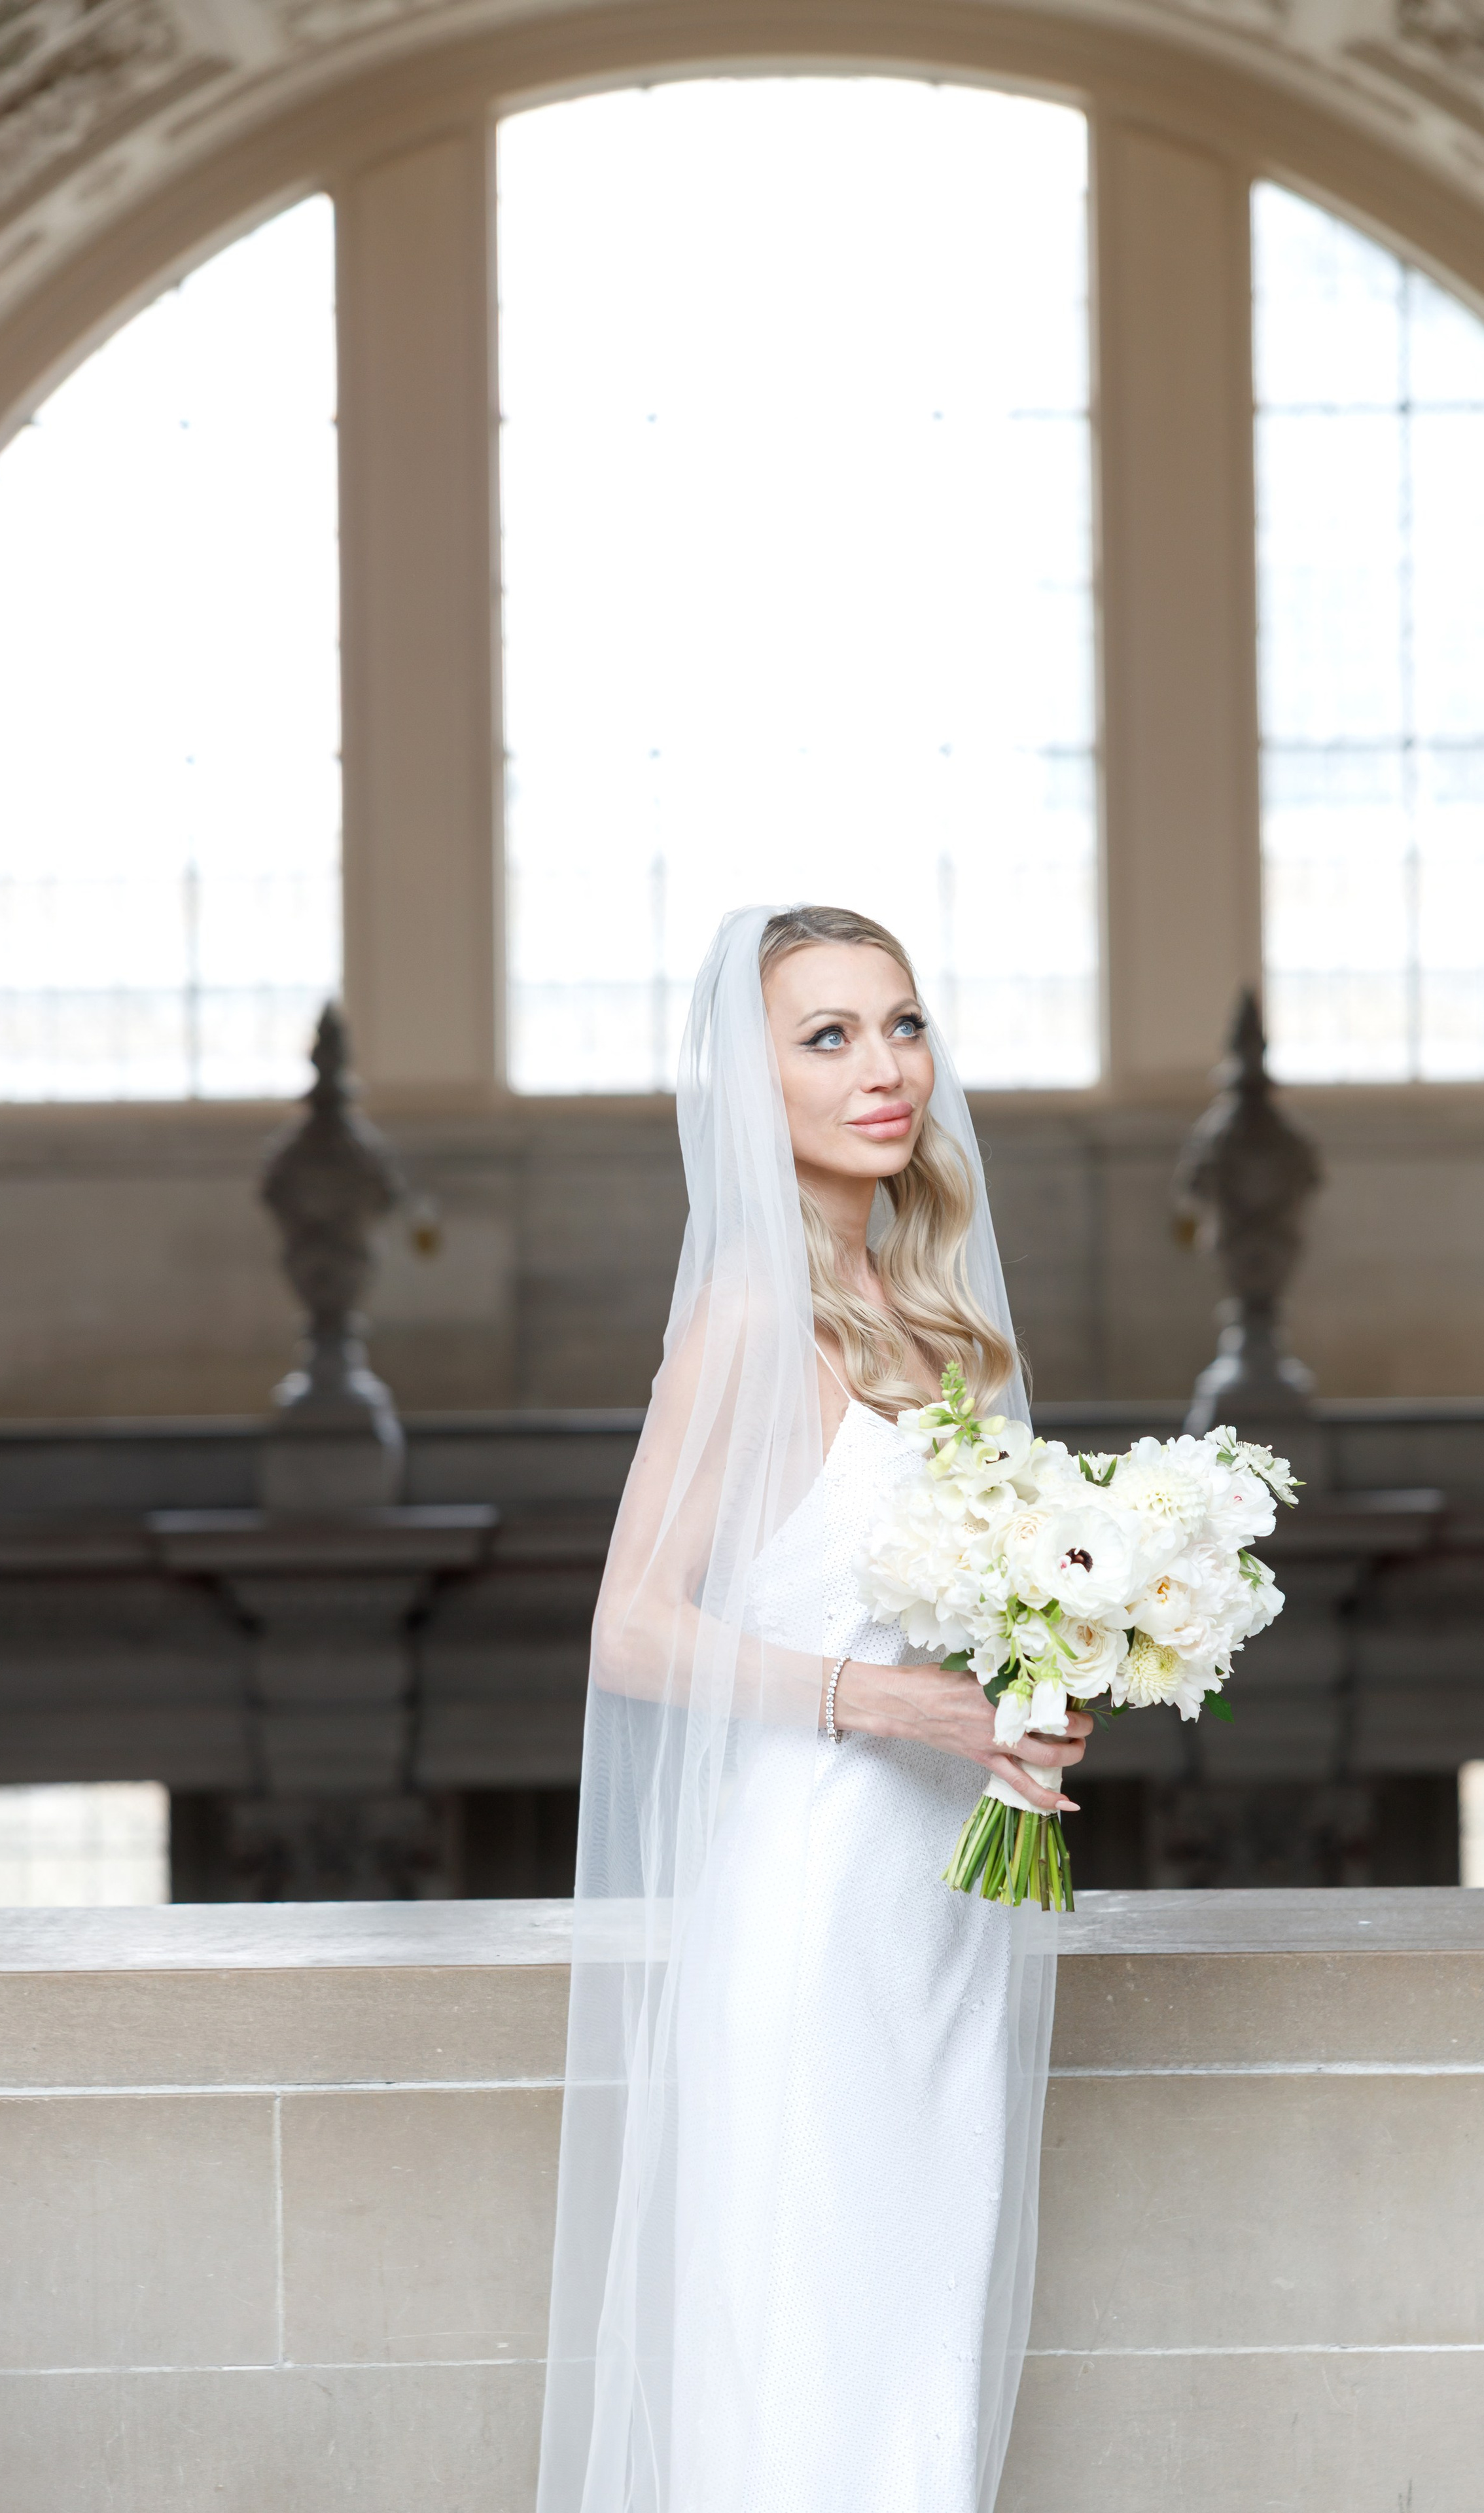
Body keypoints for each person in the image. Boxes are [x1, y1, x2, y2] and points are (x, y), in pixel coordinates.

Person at [537, 904, 1089, 2513]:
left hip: (936, 1922)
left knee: (913, 2343)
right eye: (826, 1036)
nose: (883, 1068)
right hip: (805, 1908)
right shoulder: (749, 1323)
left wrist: (1022, 1710)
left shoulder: (939, 1326)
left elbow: (962, 1635)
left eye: (901, 1024)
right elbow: (630, 1628)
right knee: (805, 2357)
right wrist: (884, 1706)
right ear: (744, 1083)